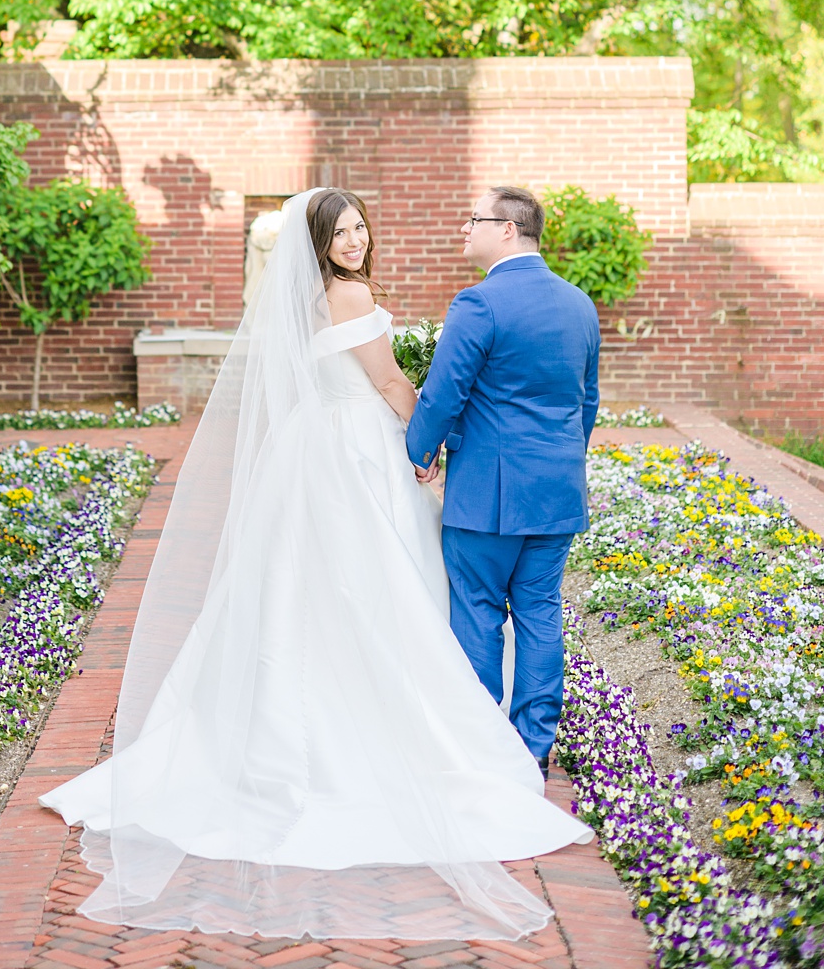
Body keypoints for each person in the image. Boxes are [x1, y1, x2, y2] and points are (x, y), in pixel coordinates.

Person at [42, 189, 589, 940]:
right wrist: (423, 447)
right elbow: (396, 385)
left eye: (363, 226)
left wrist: (429, 433)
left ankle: (443, 734)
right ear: (318, 241)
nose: (357, 240)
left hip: (311, 455)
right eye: (342, 232)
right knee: (394, 592)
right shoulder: (382, 295)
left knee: (306, 593)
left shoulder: (304, 298)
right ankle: (498, 744)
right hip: (363, 457)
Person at [407, 185, 603, 775]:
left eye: (475, 219)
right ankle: (533, 752)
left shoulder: (479, 304)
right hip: (556, 491)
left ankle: (481, 749)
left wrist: (420, 452)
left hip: (487, 497)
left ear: (509, 229)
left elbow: (444, 393)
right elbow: (585, 402)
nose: (465, 228)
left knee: (478, 611)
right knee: (541, 612)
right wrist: (562, 460)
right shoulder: (580, 305)